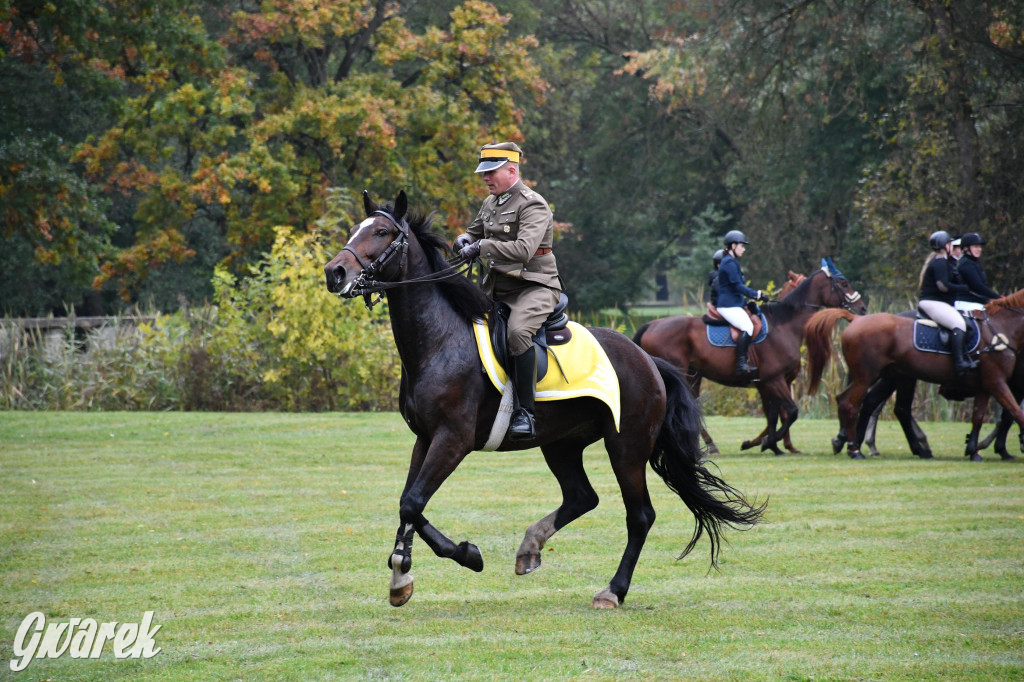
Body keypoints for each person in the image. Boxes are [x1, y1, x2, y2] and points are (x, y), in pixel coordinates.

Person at [453, 142, 562, 440]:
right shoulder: (491, 202)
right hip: (497, 288)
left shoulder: (533, 204)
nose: (485, 178)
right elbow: (473, 232)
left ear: (511, 170)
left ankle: (525, 412)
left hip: (534, 287)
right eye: (483, 173)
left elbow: (524, 250)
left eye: (491, 172)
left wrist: (482, 247)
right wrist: (462, 240)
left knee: (517, 334)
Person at [918, 230, 976, 376]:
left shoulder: (944, 263)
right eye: (950, 244)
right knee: (959, 324)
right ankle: (959, 363)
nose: (952, 246)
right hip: (933, 302)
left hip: (939, 303)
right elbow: (942, 287)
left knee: (966, 323)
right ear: (946, 246)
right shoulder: (940, 262)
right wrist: (964, 288)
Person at [715, 230, 765, 377]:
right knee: (748, 326)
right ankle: (741, 364)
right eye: (742, 246)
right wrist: (756, 294)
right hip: (728, 305)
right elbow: (737, 286)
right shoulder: (729, 263)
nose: (743, 249)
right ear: (733, 245)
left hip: (734, 303)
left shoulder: (731, 262)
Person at [954, 232, 1002, 312]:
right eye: (976, 246)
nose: (979, 249)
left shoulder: (973, 262)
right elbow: (978, 286)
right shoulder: (966, 264)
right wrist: (998, 298)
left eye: (980, 247)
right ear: (966, 248)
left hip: (976, 302)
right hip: (967, 303)